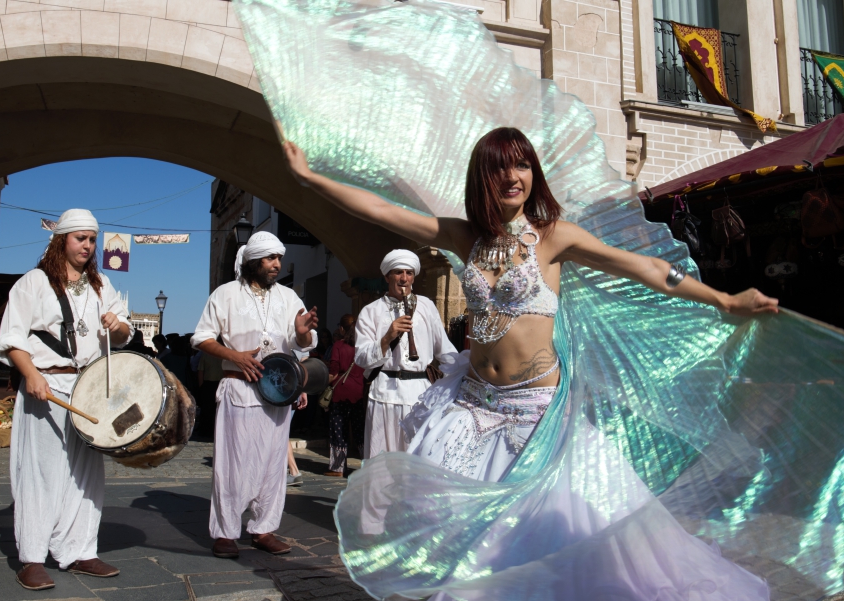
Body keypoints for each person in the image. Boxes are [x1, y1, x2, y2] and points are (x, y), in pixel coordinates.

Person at [284, 129, 778, 599]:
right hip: (471, 411)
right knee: (458, 540)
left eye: (523, 165)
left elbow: (645, 267)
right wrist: (311, 179)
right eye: (501, 168)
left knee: (546, 540)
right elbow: (385, 211)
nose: (514, 176)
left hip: (538, 418)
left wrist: (723, 300)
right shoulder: (465, 238)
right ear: (483, 178)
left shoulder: (555, 237)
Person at [0, 209, 130, 591]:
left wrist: (116, 326)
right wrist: (31, 374)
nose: (87, 246)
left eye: (91, 239)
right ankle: (32, 558)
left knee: (87, 473)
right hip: (47, 385)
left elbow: (123, 333)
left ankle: (80, 551)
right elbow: (11, 338)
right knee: (42, 473)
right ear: (61, 240)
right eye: (79, 238)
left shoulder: (101, 284)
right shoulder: (34, 283)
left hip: (89, 387)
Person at [191, 231, 318, 560]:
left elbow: (301, 344)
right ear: (252, 262)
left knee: (273, 465)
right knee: (233, 465)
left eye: (279, 258)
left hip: (279, 392)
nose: (277, 264)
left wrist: (303, 337)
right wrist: (234, 356)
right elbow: (202, 337)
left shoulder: (289, 297)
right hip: (240, 390)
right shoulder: (226, 294)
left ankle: (264, 529)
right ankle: (225, 532)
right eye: (270, 258)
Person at [354, 249, 457, 460]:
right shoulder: (370, 311)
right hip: (384, 395)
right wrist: (387, 337)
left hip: (420, 396)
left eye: (409, 273)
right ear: (386, 276)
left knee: (417, 460)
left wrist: (466, 372)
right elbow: (362, 359)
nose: (404, 278)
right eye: (398, 272)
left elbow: (445, 350)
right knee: (382, 459)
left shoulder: (427, 307)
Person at [326, 314, 365, 477]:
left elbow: (334, 370)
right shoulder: (362, 346)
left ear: (342, 329)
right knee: (359, 430)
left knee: (338, 428)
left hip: (340, 392)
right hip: (358, 392)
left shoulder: (338, 346)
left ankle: (338, 467)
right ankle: (368, 462)